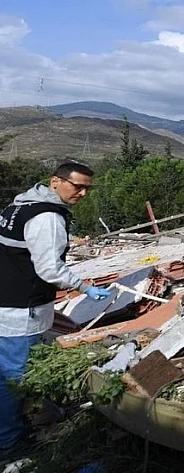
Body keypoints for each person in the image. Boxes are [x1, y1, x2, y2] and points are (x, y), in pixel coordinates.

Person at [0, 162, 111, 453]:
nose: (83, 193)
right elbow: (50, 269)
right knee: (14, 378)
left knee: (6, 372)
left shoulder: (18, 206)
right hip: (20, 309)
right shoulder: (47, 217)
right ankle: (9, 443)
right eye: (78, 186)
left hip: (6, 301)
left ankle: (13, 428)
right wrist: (84, 288)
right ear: (55, 182)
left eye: (88, 188)